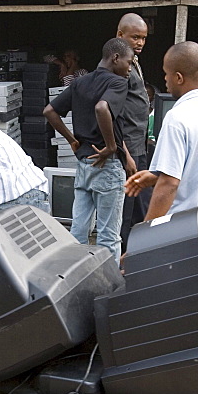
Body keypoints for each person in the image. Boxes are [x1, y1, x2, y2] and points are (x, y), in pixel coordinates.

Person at [125, 42, 198, 224]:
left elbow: (169, 185)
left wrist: (143, 237)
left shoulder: (178, 118)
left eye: (166, 74)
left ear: (178, 77)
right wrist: (156, 175)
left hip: (185, 231)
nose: (165, 80)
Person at [44, 37, 135, 262]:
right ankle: (110, 289)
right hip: (106, 164)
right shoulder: (117, 83)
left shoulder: (80, 82)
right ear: (115, 58)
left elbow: (49, 111)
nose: (130, 68)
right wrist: (111, 147)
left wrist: (72, 140)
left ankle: (74, 277)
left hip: (84, 164)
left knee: (78, 231)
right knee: (108, 237)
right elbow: (102, 108)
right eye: (129, 62)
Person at [115, 13, 152, 250]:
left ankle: (139, 251)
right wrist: (126, 153)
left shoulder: (133, 61)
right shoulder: (118, 66)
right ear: (120, 35)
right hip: (128, 147)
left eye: (143, 38)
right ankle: (124, 256)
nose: (140, 43)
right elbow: (112, 113)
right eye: (135, 37)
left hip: (139, 144)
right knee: (126, 211)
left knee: (142, 205)